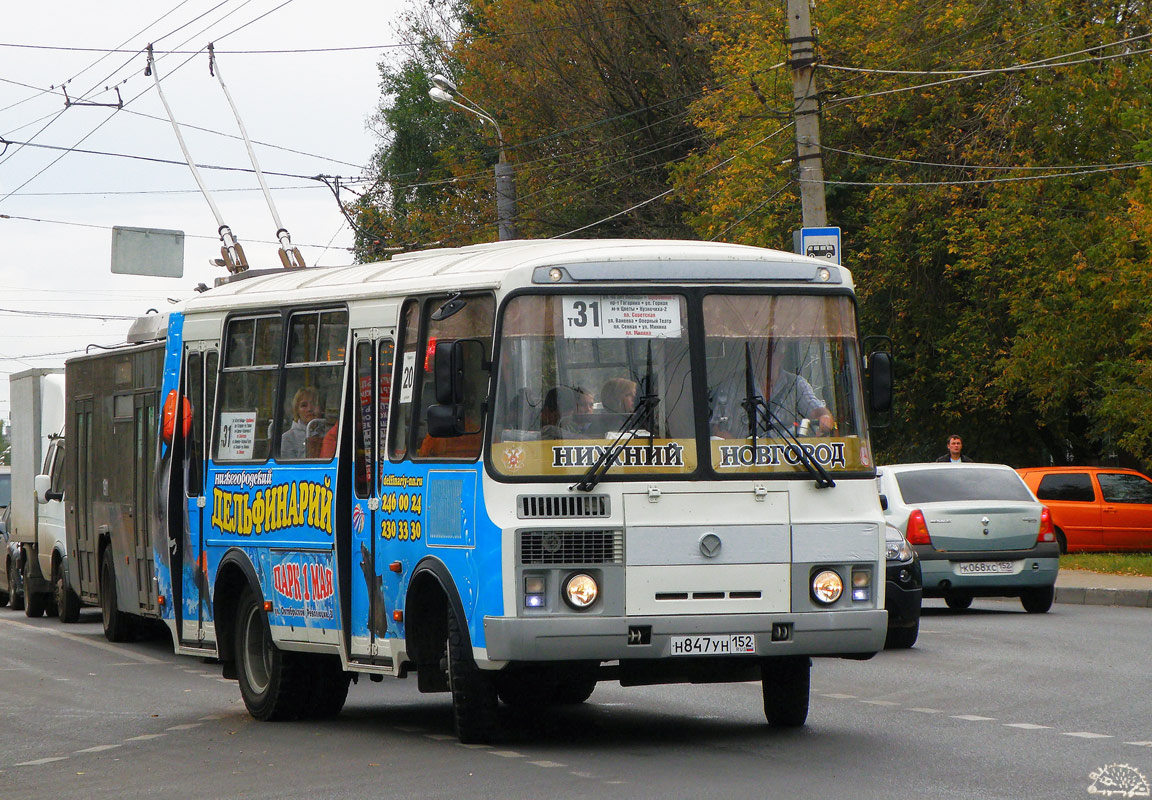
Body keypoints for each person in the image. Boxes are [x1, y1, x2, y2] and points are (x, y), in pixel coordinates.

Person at [281, 387, 324, 459]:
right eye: (304, 405)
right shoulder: (287, 438)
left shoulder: (328, 433)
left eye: (314, 404)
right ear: (297, 410)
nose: (310, 409)